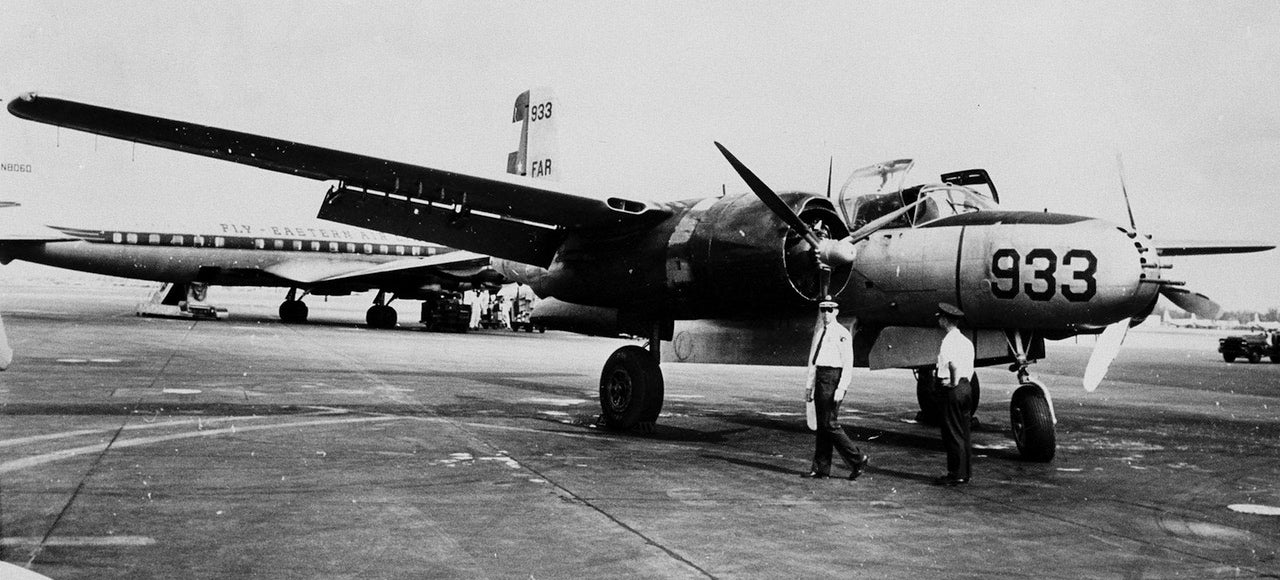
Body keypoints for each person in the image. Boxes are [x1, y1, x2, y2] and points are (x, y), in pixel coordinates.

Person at [802, 300, 869, 481]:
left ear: (836, 312)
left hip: (833, 379)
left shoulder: (842, 334)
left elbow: (848, 364)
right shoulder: (820, 332)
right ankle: (822, 469)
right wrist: (809, 386)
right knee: (823, 427)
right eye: (823, 310)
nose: (825, 314)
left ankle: (858, 458)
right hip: (821, 378)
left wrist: (841, 388)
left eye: (829, 310)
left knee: (829, 424)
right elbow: (814, 362)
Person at [934, 302, 975, 486]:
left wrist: (953, 381)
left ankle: (955, 474)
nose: (939, 320)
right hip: (966, 388)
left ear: (945, 320)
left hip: (954, 389)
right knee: (964, 432)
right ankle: (965, 472)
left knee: (952, 433)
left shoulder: (948, 341)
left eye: (940, 317)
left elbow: (953, 365)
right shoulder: (966, 341)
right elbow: (970, 368)